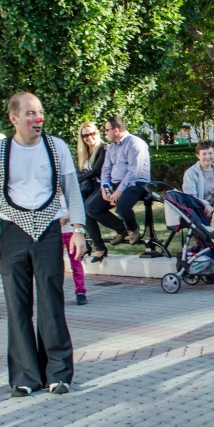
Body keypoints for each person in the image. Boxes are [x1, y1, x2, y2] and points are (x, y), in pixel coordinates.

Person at [0, 92, 86, 398]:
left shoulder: (57, 147)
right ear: (13, 118)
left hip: (49, 230)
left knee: (51, 302)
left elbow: (72, 191)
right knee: (17, 305)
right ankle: (25, 376)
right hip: (12, 232)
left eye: (39, 111)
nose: (38, 118)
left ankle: (58, 373)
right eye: (29, 113)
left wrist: (79, 229)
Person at [86, 116, 151, 261]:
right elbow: (106, 169)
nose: (105, 133)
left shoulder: (135, 144)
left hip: (136, 183)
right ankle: (122, 229)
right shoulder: (111, 147)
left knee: (122, 207)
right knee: (91, 207)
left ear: (116, 130)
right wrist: (105, 187)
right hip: (115, 183)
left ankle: (133, 229)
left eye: (107, 130)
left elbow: (134, 172)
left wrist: (119, 191)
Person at [182, 140, 214, 216]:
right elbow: (190, 196)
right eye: (204, 154)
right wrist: (206, 204)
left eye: (210, 153)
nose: (208, 157)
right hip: (203, 207)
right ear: (198, 155)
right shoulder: (190, 173)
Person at [75, 122, 106, 202]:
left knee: (88, 207)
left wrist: (78, 179)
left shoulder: (104, 148)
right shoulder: (83, 152)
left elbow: (96, 171)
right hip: (86, 187)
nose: (89, 137)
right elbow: (79, 170)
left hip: (101, 185)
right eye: (85, 135)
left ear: (97, 133)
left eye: (92, 133)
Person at [61, 215, 87, 305]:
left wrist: (67, 217)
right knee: (56, 266)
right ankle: (56, 293)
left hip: (72, 232)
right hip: (54, 233)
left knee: (76, 264)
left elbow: (78, 210)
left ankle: (80, 292)